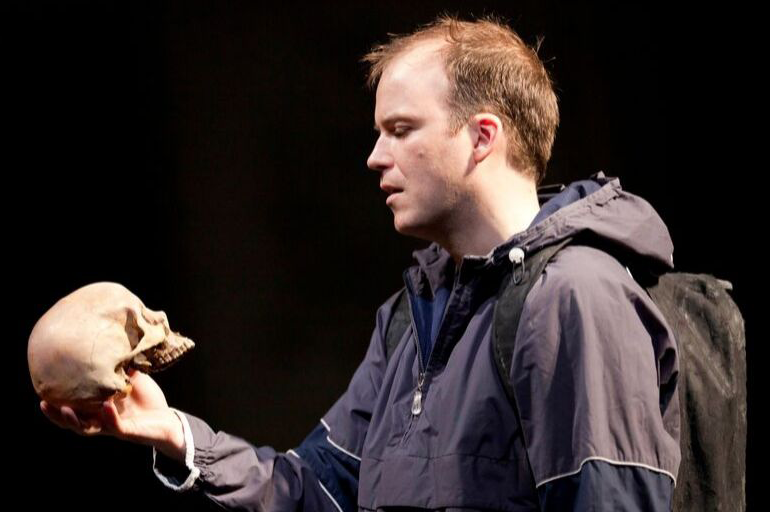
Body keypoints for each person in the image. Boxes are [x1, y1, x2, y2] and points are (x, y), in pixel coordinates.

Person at [40, 15, 681, 511]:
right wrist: (172, 432)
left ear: (482, 137)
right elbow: (317, 489)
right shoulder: (412, 318)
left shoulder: (576, 296)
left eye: (400, 130)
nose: (375, 156)